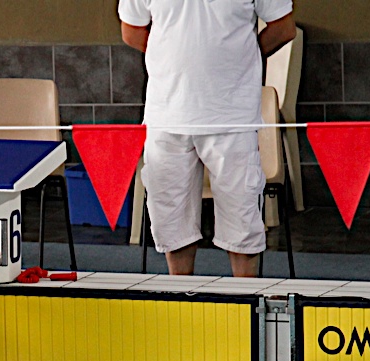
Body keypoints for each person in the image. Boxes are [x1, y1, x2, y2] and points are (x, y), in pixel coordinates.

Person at [119, 0, 297, 277]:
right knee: (173, 226)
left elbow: (283, 27)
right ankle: (181, 299)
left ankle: (245, 300)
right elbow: (131, 30)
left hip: (232, 116)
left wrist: (241, 58)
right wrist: (171, 58)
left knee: (242, 226)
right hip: (168, 115)